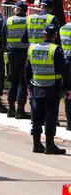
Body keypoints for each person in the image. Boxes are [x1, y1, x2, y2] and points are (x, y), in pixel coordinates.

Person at [26, 23, 70, 155]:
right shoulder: (56, 50)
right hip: (52, 89)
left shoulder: (32, 48)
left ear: (43, 35)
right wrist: (68, 87)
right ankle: (50, 145)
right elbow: (65, 70)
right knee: (50, 116)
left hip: (36, 87)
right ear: (55, 36)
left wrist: (29, 86)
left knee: (36, 116)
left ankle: (36, 144)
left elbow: (27, 70)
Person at [5, 0, 31, 119]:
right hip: (25, 53)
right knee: (22, 82)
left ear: (17, 9)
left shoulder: (8, 20)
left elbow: (3, 37)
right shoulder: (29, 21)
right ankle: (20, 110)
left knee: (13, 81)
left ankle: (11, 109)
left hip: (12, 54)